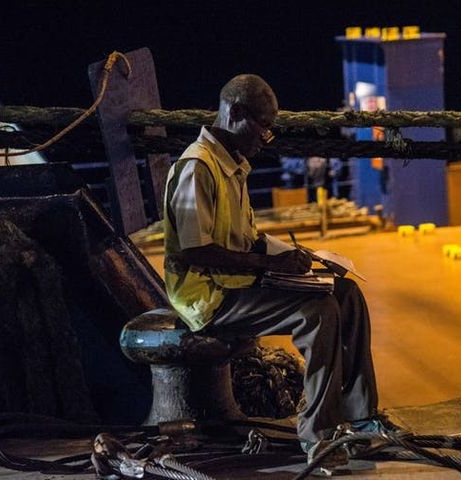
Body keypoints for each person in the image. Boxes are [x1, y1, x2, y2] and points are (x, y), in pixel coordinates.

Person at [162, 74, 392, 465]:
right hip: (207, 295)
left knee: (346, 295)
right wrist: (270, 264)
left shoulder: (232, 164)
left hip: (239, 280)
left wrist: (305, 257)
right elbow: (196, 250)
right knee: (317, 312)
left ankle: (361, 415)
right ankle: (319, 435)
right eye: (263, 127)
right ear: (235, 113)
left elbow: (247, 237)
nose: (265, 138)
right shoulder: (198, 167)